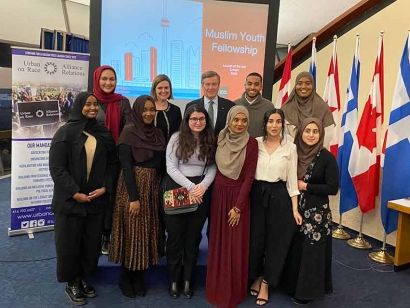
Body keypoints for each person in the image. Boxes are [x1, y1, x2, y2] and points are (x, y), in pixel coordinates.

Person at [49, 92, 115, 306]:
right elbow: (57, 169)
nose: (93, 108)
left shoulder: (103, 133)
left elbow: (112, 164)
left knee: (90, 243)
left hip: (96, 200)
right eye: (88, 104)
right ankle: (72, 282)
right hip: (70, 201)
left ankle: (84, 277)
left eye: (95, 104)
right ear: (79, 106)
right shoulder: (64, 133)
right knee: (69, 243)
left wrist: (105, 186)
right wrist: (74, 192)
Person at [108, 95, 166, 298]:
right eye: (145, 110)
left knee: (145, 232)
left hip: (152, 188)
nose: (149, 113)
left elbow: (162, 165)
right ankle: (126, 277)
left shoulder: (158, 134)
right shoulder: (129, 132)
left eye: (152, 109)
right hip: (132, 189)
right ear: (137, 110)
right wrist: (134, 197)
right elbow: (125, 166)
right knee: (132, 232)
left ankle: (139, 276)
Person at [282, 118, 339, 305]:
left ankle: (306, 293)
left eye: (315, 131)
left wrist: (306, 185)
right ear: (301, 133)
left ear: (321, 134)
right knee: (294, 249)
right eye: (307, 131)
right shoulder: (293, 152)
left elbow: (332, 188)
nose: (311, 135)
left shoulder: (326, 157)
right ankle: (290, 286)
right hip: (294, 208)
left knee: (311, 253)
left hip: (316, 213)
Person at [249, 108, 302, 306]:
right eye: (270, 121)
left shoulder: (290, 147)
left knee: (275, 242)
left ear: (283, 124)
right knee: (256, 240)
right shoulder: (254, 143)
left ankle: (266, 282)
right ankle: (255, 275)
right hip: (256, 196)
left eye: (278, 121)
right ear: (265, 123)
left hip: (279, 197)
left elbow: (292, 182)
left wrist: (295, 209)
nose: (274, 125)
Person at [206, 106, 258, 308]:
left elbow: (249, 177)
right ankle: (216, 287)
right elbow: (213, 166)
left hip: (238, 198)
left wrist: (238, 207)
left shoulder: (251, 143)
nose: (239, 124)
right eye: (236, 120)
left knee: (235, 244)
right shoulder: (220, 137)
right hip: (218, 195)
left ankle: (233, 292)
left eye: (244, 120)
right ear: (229, 120)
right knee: (218, 241)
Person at [163, 105, 217, 299]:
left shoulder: (209, 139)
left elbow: (212, 167)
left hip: (201, 191)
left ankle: (187, 281)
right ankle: (174, 281)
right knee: (176, 239)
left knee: (193, 239)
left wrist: (202, 187)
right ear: (187, 120)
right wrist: (191, 188)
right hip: (178, 188)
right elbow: (171, 167)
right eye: (194, 119)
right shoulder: (176, 138)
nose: (198, 122)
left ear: (206, 121)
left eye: (201, 119)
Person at [93, 65, 132, 255]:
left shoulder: (123, 102)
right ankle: (93, 234)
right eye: (104, 79)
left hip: (114, 158)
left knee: (110, 197)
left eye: (112, 79)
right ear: (97, 80)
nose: (108, 83)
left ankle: (107, 235)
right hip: (90, 159)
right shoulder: (89, 100)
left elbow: (129, 128)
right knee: (92, 195)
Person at [281, 71, 335, 147]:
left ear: (313, 85)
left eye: (308, 83)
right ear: (295, 85)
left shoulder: (322, 107)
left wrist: (311, 149)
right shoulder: (286, 108)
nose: (303, 87)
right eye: (299, 83)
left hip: (317, 153)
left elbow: (329, 134)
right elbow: (283, 134)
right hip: (292, 152)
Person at [185, 71, 235, 136]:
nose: (211, 88)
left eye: (214, 84)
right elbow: (185, 129)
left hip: (222, 145)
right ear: (202, 86)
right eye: (207, 84)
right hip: (197, 144)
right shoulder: (191, 106)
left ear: (218, 85)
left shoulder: (230, 106)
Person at [234, 72, 274, 137]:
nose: (252, 87)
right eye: (249, 84)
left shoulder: (269, 106)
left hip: (260, 146)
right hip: (237, 146)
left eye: (256, 84)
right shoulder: (234, 105)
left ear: (261, 87)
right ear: (245, 85)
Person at [150, 74, 182, 143]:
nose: (164, 91)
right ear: (154, 90)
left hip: (170, 152)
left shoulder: (176, 110)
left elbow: (179, 135)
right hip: (149, 152)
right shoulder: (147, 109)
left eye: (166, 88)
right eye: (160, 88)